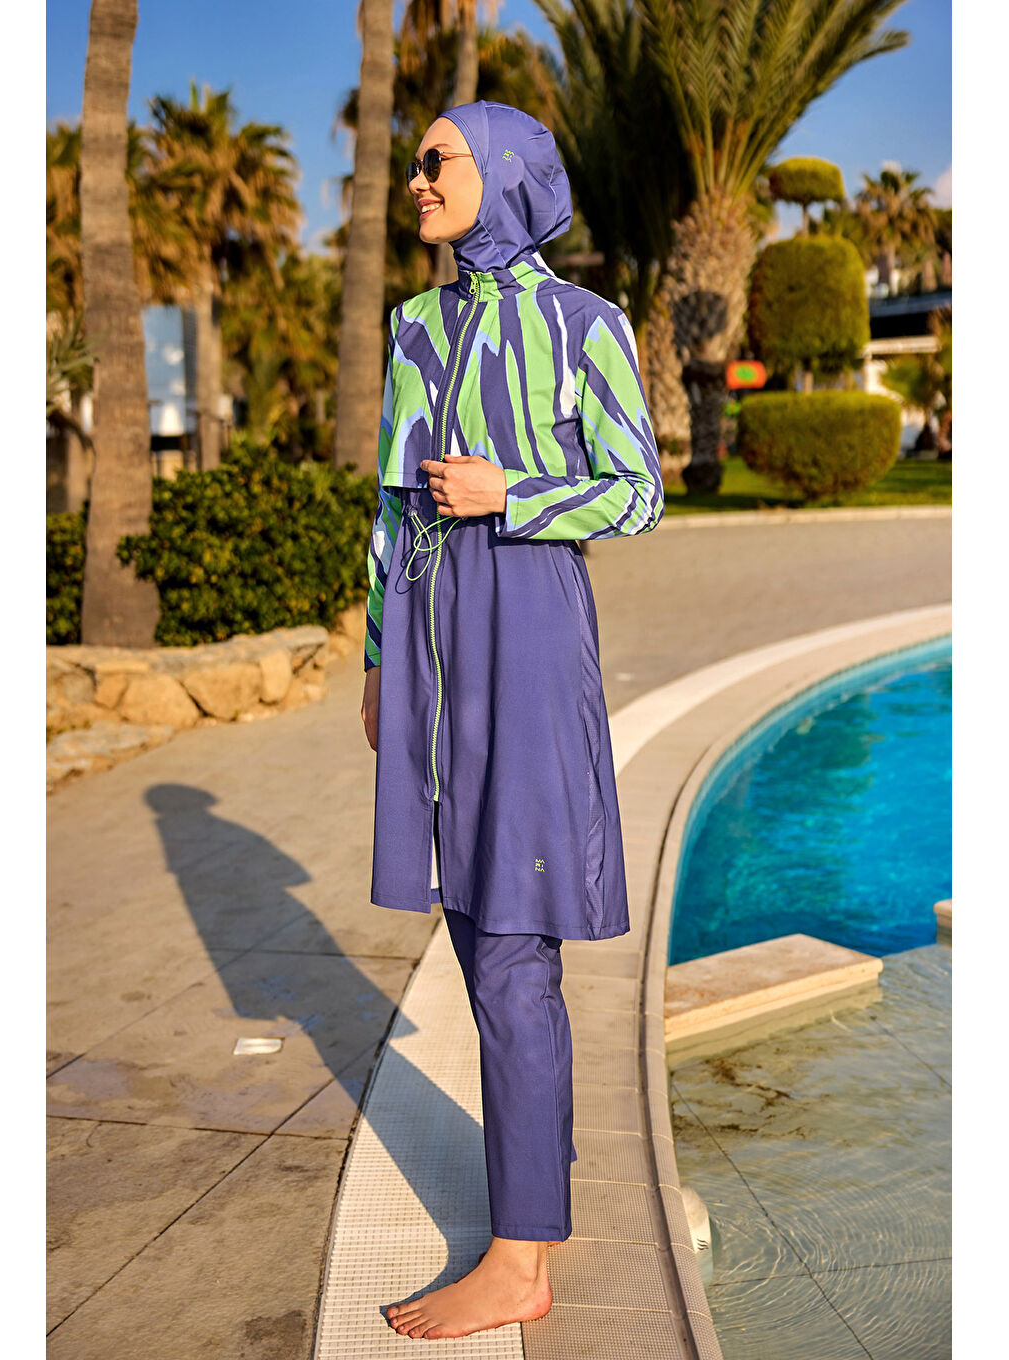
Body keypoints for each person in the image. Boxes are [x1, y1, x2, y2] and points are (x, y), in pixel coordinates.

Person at [360, 100, 663, 1341]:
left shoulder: (588, 326)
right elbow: (390, 509)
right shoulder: (414, 326)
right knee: (477, 923)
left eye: (439, 159)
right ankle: (542, 1196)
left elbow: (639, 492)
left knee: (511, 947)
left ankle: (521, 1255)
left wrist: (512, 492)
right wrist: (378, 659)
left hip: (530, 638)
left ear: (505, 173)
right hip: (433, 646)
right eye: (416, 161)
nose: (417, 178)